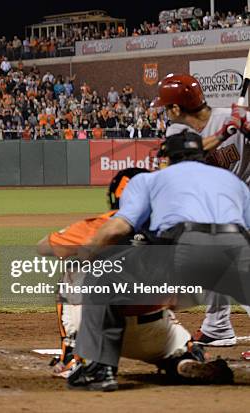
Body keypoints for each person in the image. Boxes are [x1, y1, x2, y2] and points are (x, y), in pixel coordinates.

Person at [68, 131, 250, 391]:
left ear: (168, 158)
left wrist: (86, 255)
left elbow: (116, 229)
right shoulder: (234, 182)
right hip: (236, 250)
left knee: (104, 274)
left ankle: (100, 370)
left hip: (182, 250)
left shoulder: (149, 179)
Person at [152, 73, 250, 347]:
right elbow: (184, 156)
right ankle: (217, 326)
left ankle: (217, 326)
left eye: (166, 107)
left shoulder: (232, 117)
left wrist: (245, 126)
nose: (165, 113)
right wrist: (225, 133)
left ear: (175, 108)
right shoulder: (177, 131)